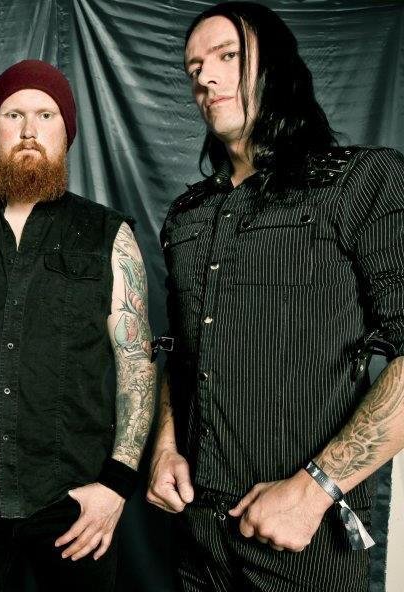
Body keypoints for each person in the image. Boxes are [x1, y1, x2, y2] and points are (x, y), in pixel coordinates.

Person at [146, 3, 404, 590]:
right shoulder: (187, 215)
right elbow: (181, 351)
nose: (206, 78)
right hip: (197, 538)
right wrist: (163, 448)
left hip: (306, 538)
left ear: (277, 67)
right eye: (194, 69)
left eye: (227, 56)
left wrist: (314, 490)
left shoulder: (362, 183)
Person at [0, 60, 156, 591]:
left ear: (66, 132)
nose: (28, 130)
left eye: (45, 115)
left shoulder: (109, 234)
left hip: (75, 502)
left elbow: (135, 363)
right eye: (13, 115)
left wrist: (116, 484)